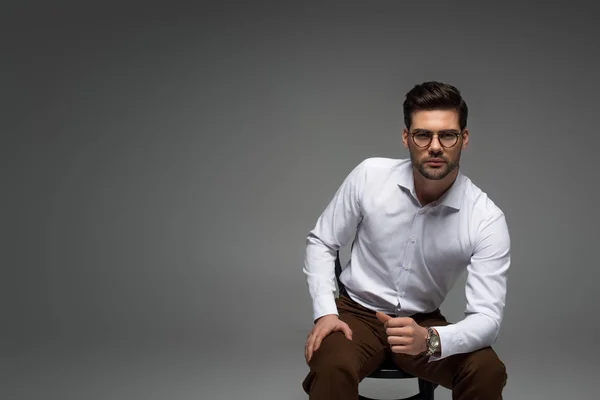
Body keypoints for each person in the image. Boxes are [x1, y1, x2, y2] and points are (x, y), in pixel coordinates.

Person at [301, 81, 511, 399]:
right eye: (423, 134)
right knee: (330, 364)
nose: (435, 146)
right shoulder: (369, 176)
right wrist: (326, 313)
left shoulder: (485, 218)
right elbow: (322, 241)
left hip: (423, 321)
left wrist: (431, 339)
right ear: (406, 138)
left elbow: (487, 318)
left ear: (463, 139)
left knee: (487, 370)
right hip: (356, 314)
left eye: (448, 135)